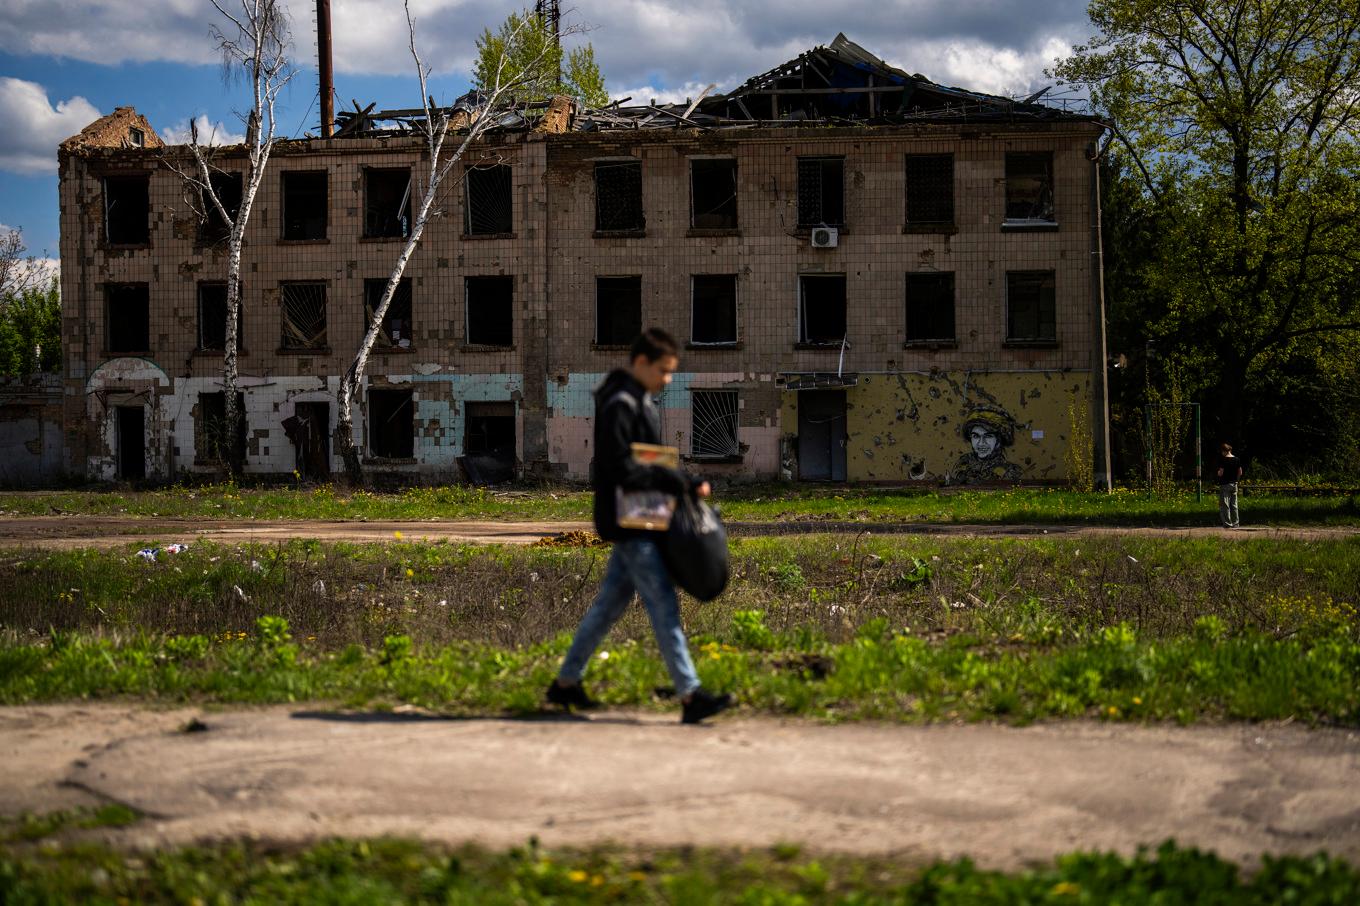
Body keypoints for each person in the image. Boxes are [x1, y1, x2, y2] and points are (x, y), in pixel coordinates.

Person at [546, 327, 734, 724]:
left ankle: (565, 684)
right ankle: (690, 694)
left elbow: (651, 458)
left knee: (608, 606)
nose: (667, 379)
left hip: (640, 517)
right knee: (664, 605)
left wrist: (682, 479)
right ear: (642, 362)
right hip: (632, 519)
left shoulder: (638, 400)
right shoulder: (621, 403)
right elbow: (621, 466)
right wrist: (678, 481)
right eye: (664, 371)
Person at [949, 407, 1023, 484]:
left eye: (988, 436)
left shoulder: (1012, 471)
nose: (981, 443)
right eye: (976, 436)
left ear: (999, 440)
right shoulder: (963, 464)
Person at [1216, 442, 1243, 528]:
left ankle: (1228, 523)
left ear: (1224, 451)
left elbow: (1221, 473)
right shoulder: (1237, 459)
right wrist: (1237, 481)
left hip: (1225, 485)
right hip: (1234, 484)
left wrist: (1218, 473)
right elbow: (1240, 472)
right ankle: (1236, 523)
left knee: (1225, 505)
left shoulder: (1223, 460)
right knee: (1234, 505)